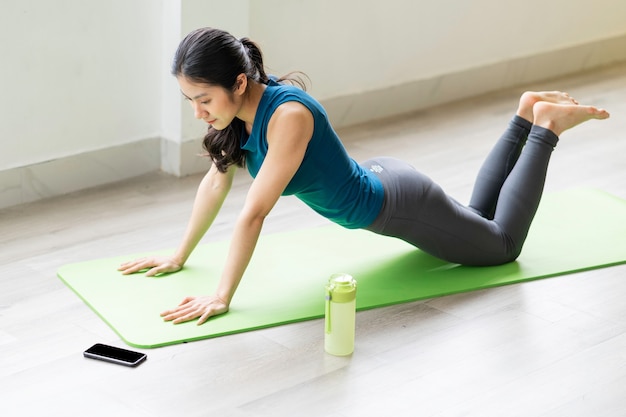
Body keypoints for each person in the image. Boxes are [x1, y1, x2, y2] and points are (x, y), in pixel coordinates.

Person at [118, 27, 610, 325]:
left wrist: (222, 295)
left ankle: (544, 127)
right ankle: (525, 113)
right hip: (388, 183)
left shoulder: (288, 116)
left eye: (204, 100)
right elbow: (215, 183)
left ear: (239, 82)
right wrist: (179, 255)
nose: (199, 112)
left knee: (502, 247)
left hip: (397, 205)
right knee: (480, 220)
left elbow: (253, 213)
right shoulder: (239, 119)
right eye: (191, 102)